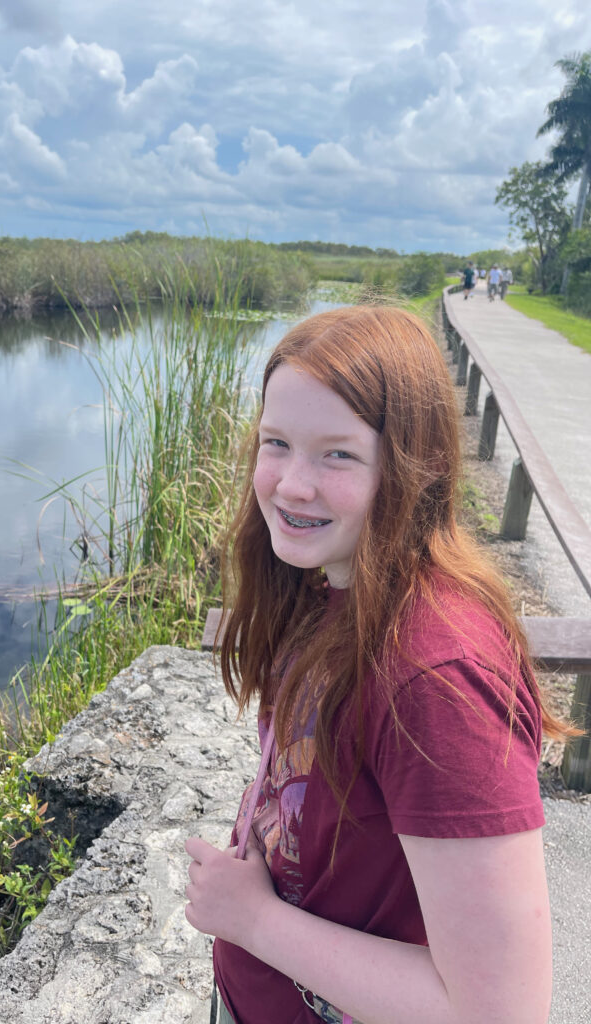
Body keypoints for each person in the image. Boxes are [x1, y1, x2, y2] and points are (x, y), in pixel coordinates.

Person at [185, 306, 568, 1024]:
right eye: (276, 442)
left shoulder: (437, 678)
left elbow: (499, 1012)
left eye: (338, 455)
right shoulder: (329, 580)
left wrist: (254, 922)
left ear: (409, 469)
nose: (293, 485)